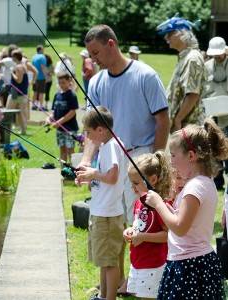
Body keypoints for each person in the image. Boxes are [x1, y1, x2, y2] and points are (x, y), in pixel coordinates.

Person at [81, 24, 170, 291]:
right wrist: (86, 162)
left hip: (139, 157)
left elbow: (162, 120)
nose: (93, 59)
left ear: (111, 44)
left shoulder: (145, 75)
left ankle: (141, 280)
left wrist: (155, 161)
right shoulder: (96, 81)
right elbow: (90, 130)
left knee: (140, 221)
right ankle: (115, 282)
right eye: (90, 54)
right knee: (112, 220)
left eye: (96, 52)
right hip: (108, 159)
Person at [145, 118, 228, 299]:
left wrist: (159, 204)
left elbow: (180, 227)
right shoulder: (205, 183)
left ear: (191, 156)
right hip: (196, 264)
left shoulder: (195, 187)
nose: (171, 162)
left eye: (173, 155)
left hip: (189, 267)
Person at [76, 106, 126, 300]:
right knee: (104, 261)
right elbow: (106, 178)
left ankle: (109, 297)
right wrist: (90, 178)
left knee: (110, 262)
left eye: (88, 132)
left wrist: (94, 174)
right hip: (102, 212)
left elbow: (112, 177)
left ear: (100, 129)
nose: (87, 137)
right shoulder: (107, 145)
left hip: (107, 215)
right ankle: (103, 296)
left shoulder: (112, 145)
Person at [123, 151, 171, 299]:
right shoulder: (139, 202)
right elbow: (141, 225)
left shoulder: (160, 205)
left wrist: (143, 237)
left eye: (136, 183)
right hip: (138, 261)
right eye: (131, 183)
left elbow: (168, 235)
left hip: (154, 265)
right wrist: (130, 230)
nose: (133, 187)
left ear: (153, 179)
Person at [157, 15, 206, 132]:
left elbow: (193, 94)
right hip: (184, 127)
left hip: (189, 128)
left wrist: (178, 120)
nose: (166, 38)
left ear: (182, 34)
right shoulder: (185, 57)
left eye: (169, 34)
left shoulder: (192, 58)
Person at [204, 36, 228, 190]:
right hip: (213, 115)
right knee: (214, 147)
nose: (217, 57)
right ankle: (218, 181)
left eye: (219, 54)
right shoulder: (206, 66)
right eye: (215, 54)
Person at [46, 74, 79, 163]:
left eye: (64, 82)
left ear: (69, 82)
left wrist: (59, 122)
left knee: (70, 151)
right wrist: (49, 118)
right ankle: (64, 171)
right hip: (60, 129)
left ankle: (74, 171)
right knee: (62, 150)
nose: (61, 85)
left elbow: (72, 112)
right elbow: (54, 111)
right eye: (60, 83)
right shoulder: (57, 95)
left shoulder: (72, 95)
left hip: (70, 129)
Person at [6, 49, 29, 135]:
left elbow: (19, 80)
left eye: (12, 56)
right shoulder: (23, 66)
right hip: (23, 93)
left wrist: (12, 72)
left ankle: (7, 130)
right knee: (20, 112)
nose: (11, 58)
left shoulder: (18, 67)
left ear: (15, 57)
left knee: (8, 111)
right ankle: (23, 131)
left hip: (16, 92)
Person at [31, 45, 47, 110]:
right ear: (40, 50)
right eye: (43, 49)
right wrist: (46, 76)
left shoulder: (33, 57)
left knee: (35, 91)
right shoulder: (42, 57)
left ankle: (33, 105)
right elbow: (43, 67)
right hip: (41, 77)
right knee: (41, 92)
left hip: (34, 77)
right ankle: (40, 106)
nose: (43, 51)